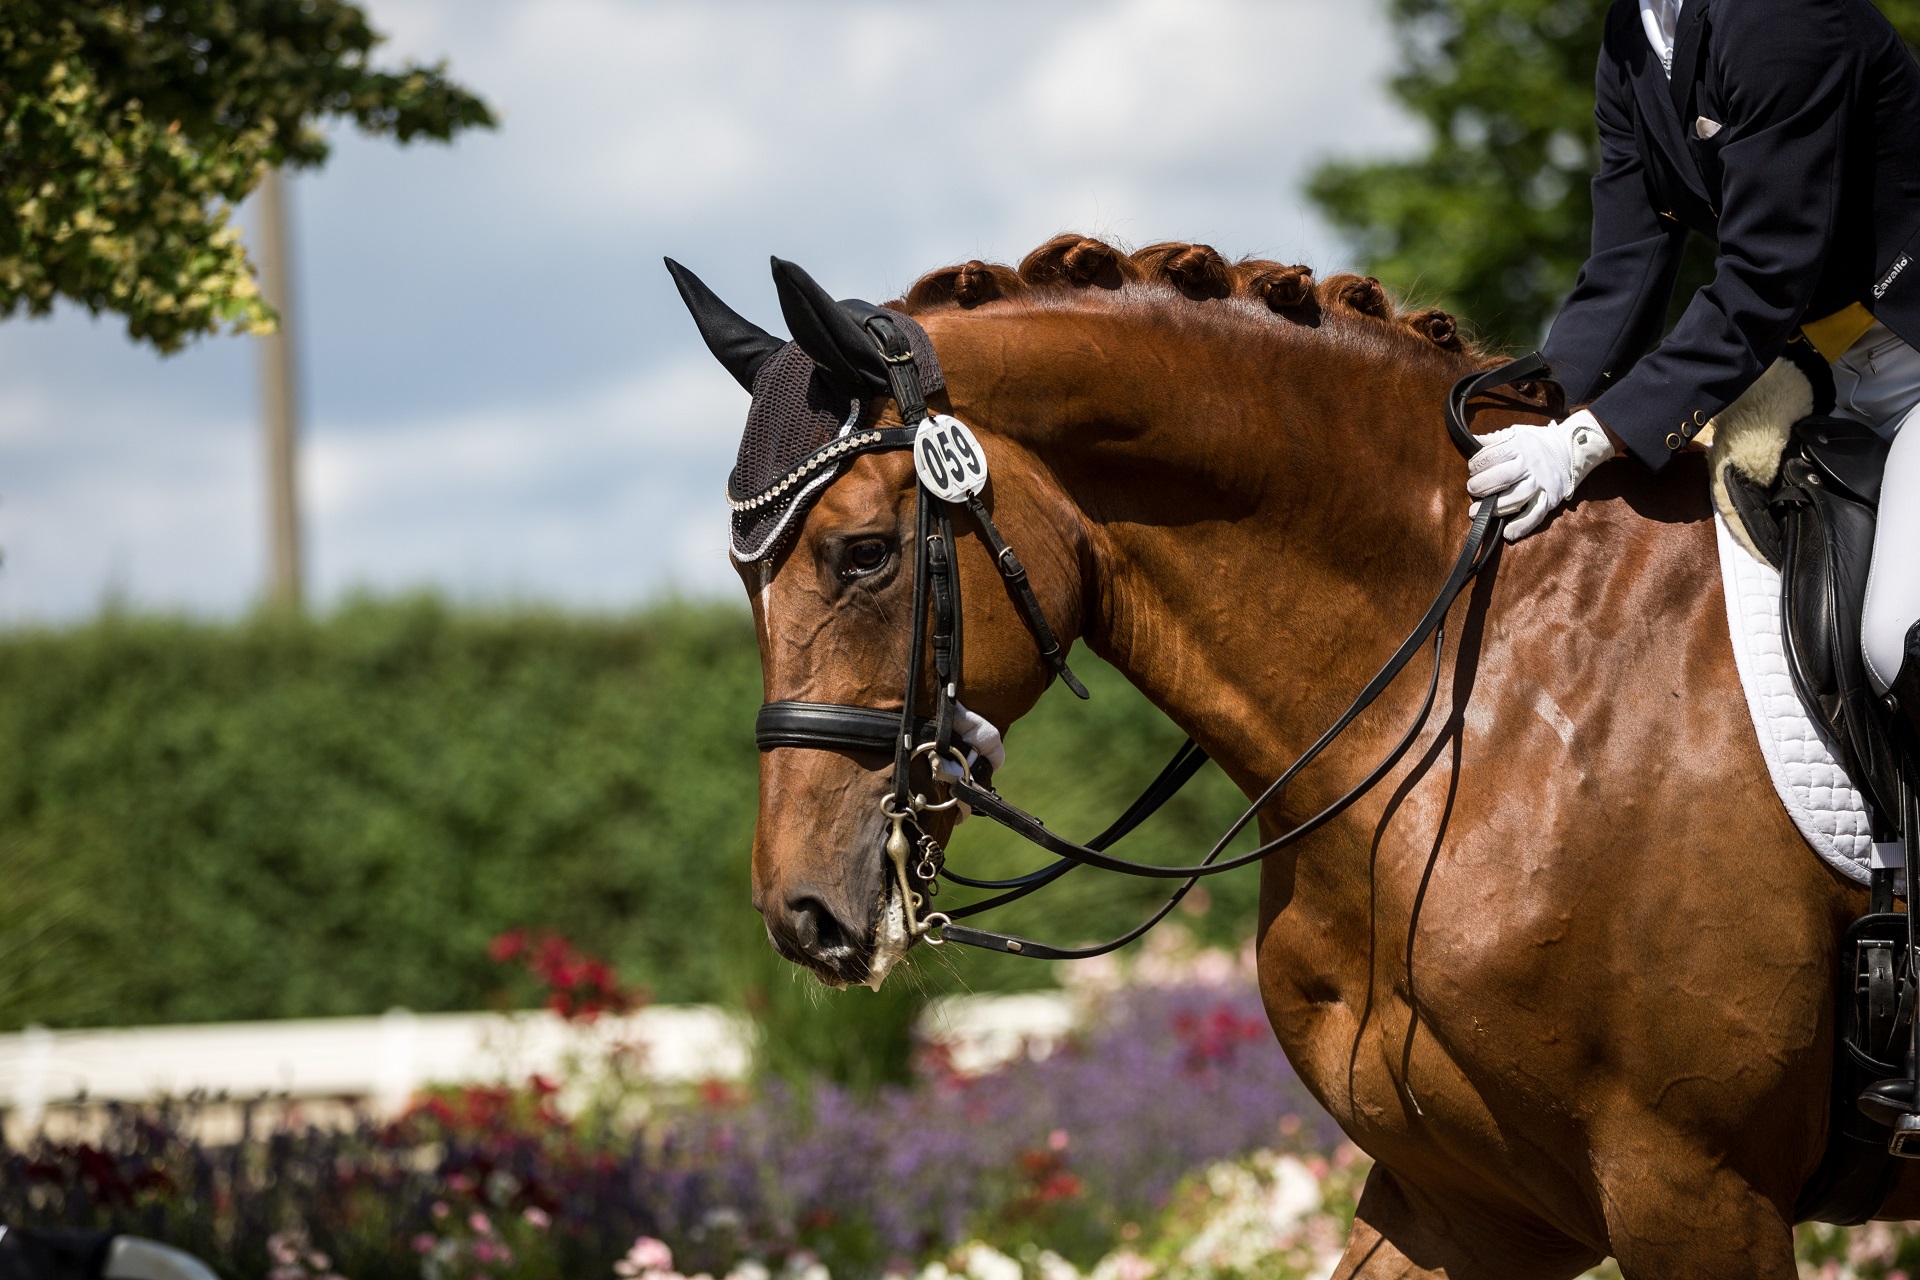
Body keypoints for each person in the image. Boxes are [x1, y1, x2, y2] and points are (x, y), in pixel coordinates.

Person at [1464, 0, 1920, 754]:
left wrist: (1587, 440)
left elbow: (1764, 280)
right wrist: (1525, 410)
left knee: (1893, 639)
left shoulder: (1783, 14)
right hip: (1836, 381)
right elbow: (1625, 267)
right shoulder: (1633, 35)